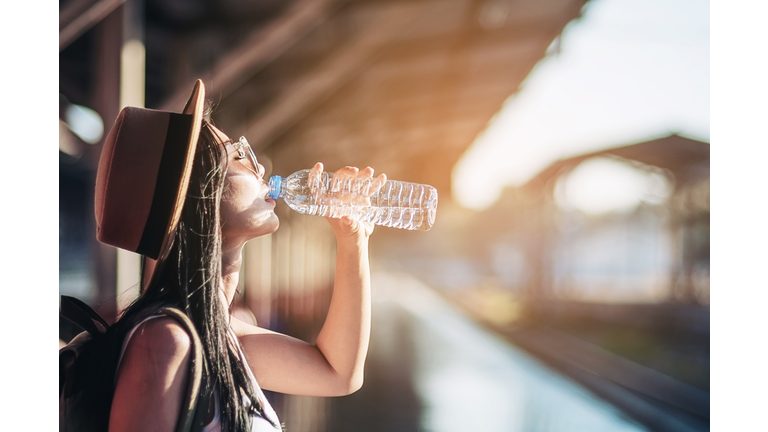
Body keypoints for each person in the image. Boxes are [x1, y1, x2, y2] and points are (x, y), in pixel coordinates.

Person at [94, 80, 383, 432]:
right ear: (201, 195)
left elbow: (338, 373)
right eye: (238, 155)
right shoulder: (165, 342)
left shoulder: (221, 335)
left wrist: (352, 240)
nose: (259, 167)